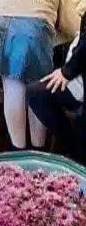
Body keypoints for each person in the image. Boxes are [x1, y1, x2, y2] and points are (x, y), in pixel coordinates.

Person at [0, 0, 81, 148]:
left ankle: (17, 149)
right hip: (32, 29)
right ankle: (38, 147)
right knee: (37, 88)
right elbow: (75, 28)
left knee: (12, 85)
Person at [27, 26, 86, 162]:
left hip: (75, 76)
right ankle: (73, 147)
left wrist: (67, 72)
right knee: (37, 92)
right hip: (76, 79)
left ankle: (76, 151)